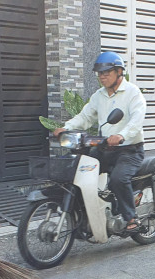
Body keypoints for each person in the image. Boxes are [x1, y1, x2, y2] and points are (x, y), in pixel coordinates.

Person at [53, 51, 146, 232]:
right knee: (77, 167)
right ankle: (84, 212)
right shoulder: (99, 95)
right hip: (105, 149)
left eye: (107, 72)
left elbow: (137, 120)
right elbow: (85, 116)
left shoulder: (133, 93)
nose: (102, 77)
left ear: (119, 72)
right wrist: (66, 127)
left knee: (118, 179)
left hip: (129, 150)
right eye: (100, 73)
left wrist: (121, 135)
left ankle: (131, 219)